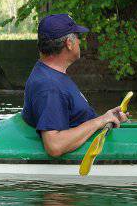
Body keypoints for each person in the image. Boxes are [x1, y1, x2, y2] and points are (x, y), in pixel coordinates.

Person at [21, 14, 129, 157]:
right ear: (69, 43)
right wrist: (100, 121)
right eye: (78, 37)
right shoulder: (49, 86)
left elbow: (74, 118)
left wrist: (108, 118)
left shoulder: (51, 73)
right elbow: (55, 146)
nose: (80, 42)